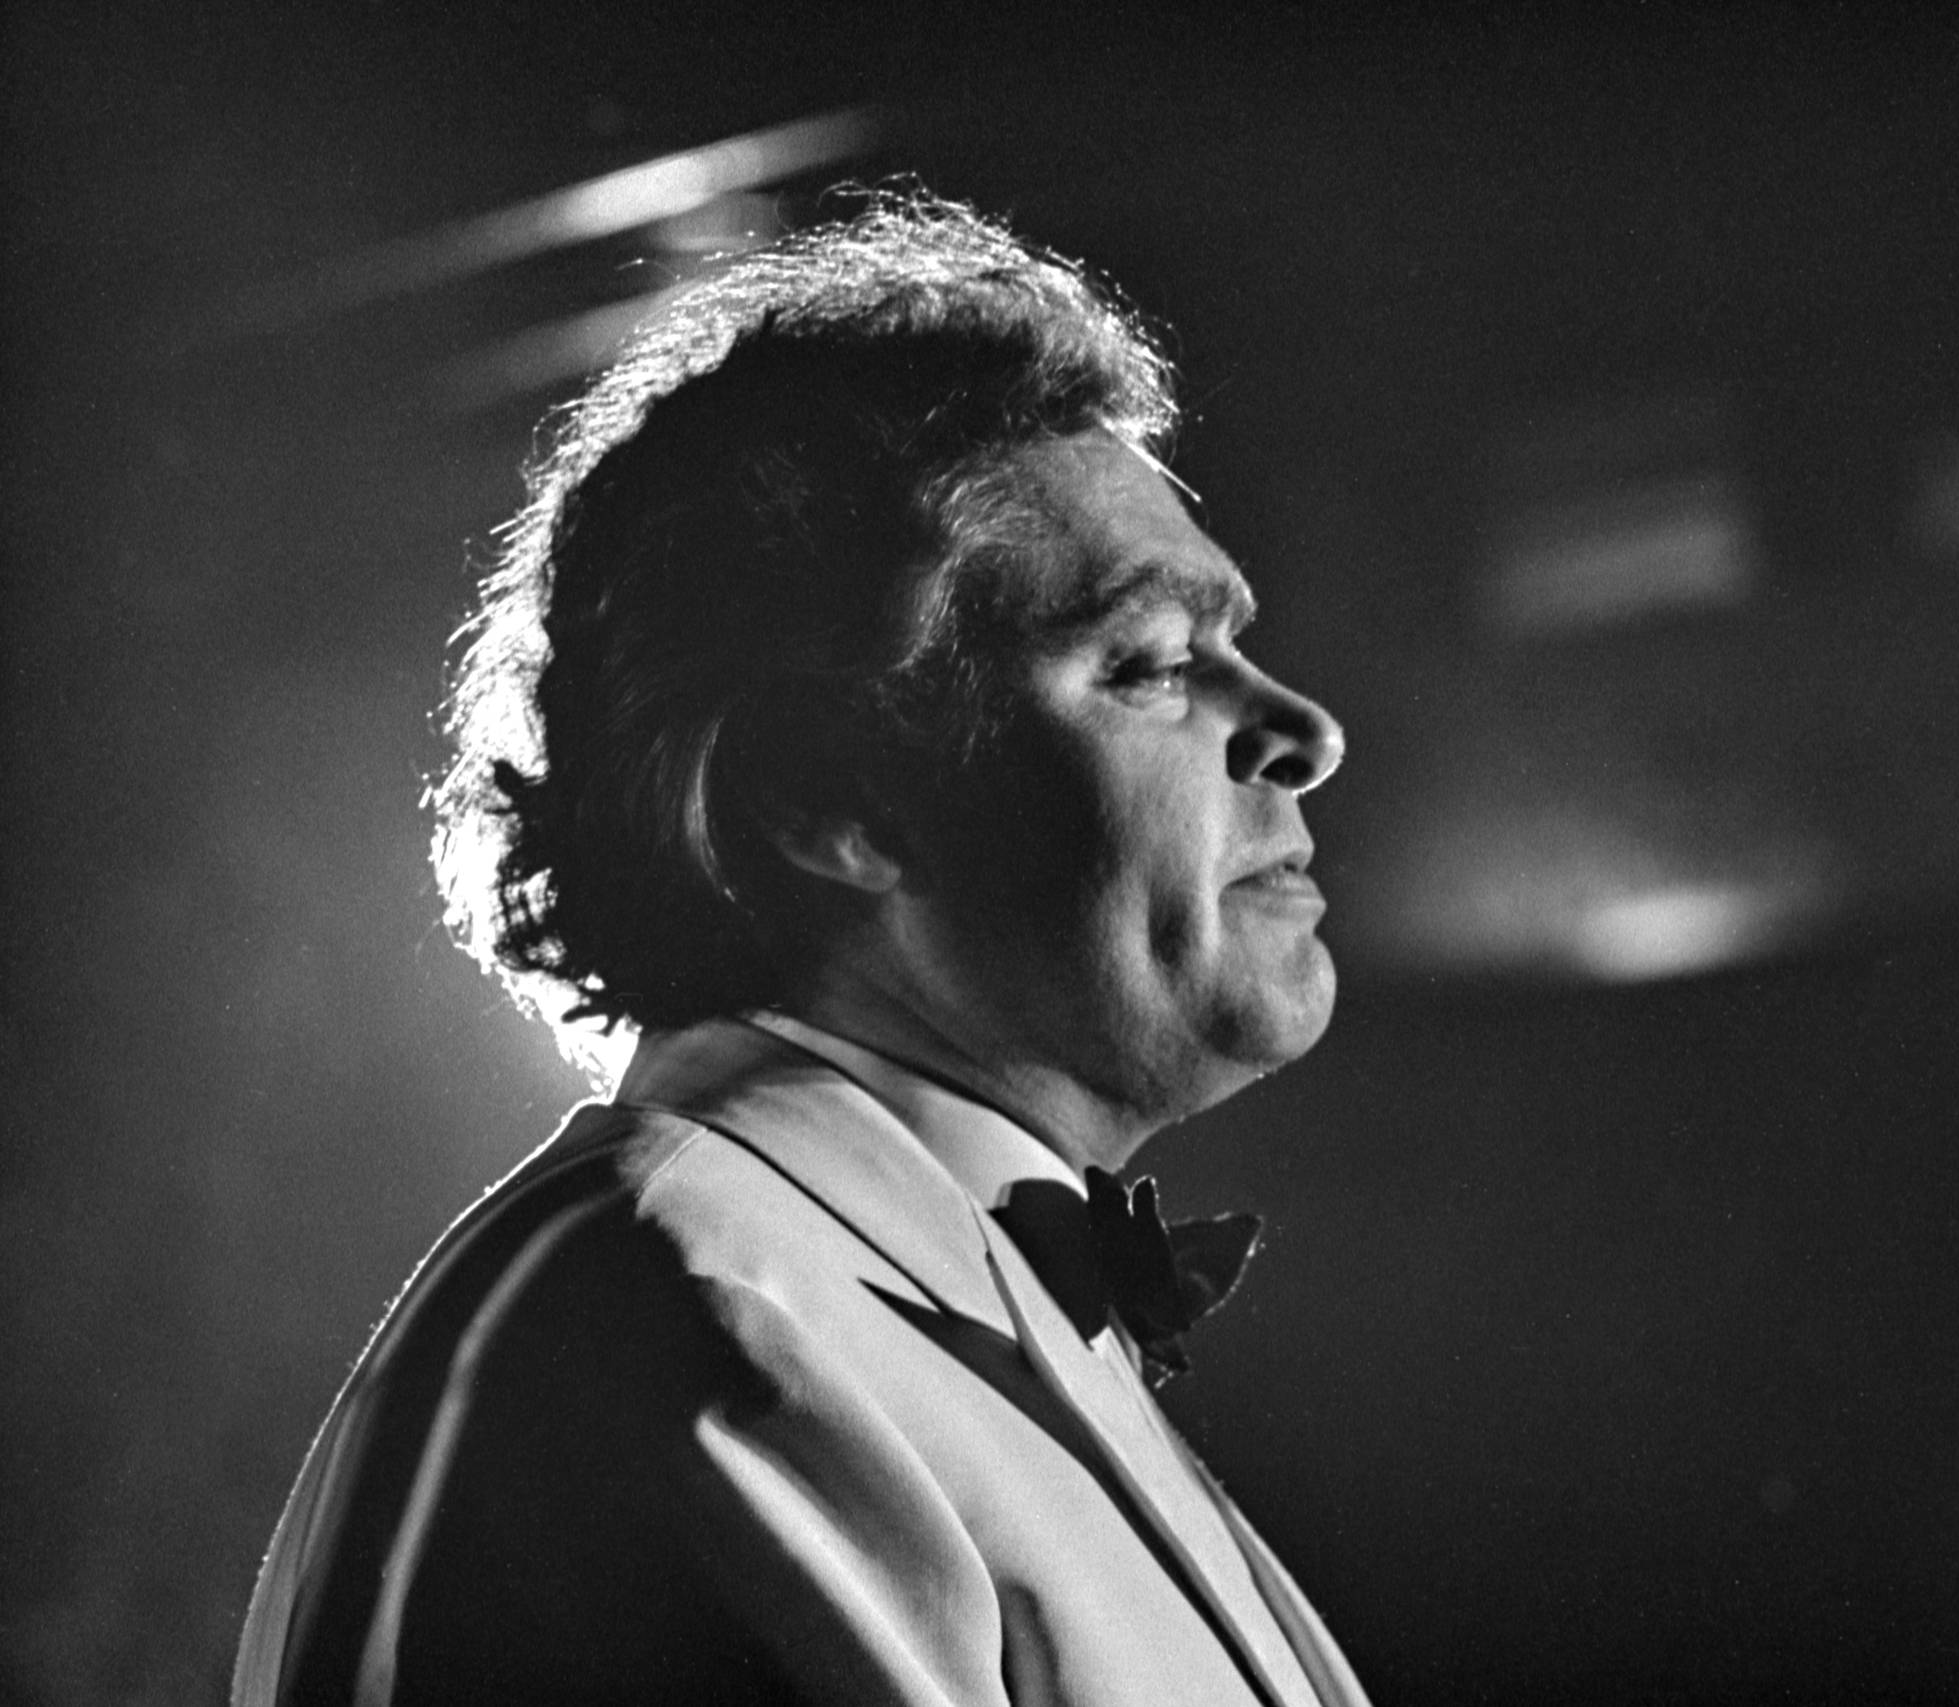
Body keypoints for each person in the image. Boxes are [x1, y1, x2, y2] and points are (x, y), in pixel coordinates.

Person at [233, 194, 1368, 1707]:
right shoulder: (685, 1316)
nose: (1304, 730)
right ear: (828, 799)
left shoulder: (833, 1302)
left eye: (1236, 646)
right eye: (1154, 663)